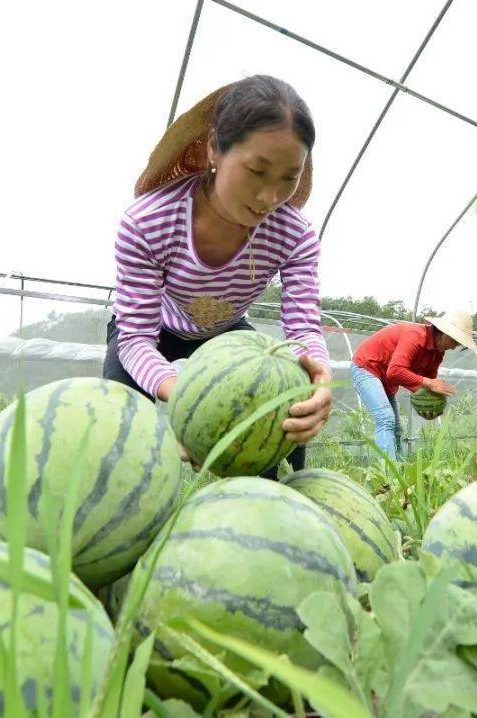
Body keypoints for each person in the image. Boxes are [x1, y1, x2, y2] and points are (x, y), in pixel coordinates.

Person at [102, 76, 331, 478]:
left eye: (288, 177)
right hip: (156, 330)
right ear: (213, 149)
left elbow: (302, 328)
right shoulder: (147, 222)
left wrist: (318, 375)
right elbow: (136, 337)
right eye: (257, 171)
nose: (269, 197)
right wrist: (194, 403)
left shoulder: (295, 235)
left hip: (229, 334)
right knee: (118, 430)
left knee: (282, 438)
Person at [350, 311, 477, 461]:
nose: (456, 346)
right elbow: (395, 371)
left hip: (386, 377)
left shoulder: (438, 353)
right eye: (457, 340)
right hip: (366, 367)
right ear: (445, 332)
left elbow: (425, 388)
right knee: (385, 418)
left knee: (397, 429)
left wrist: (429, 409)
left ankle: (399, 475)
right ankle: (386, 476)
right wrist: (430, 383)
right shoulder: (415, 336)